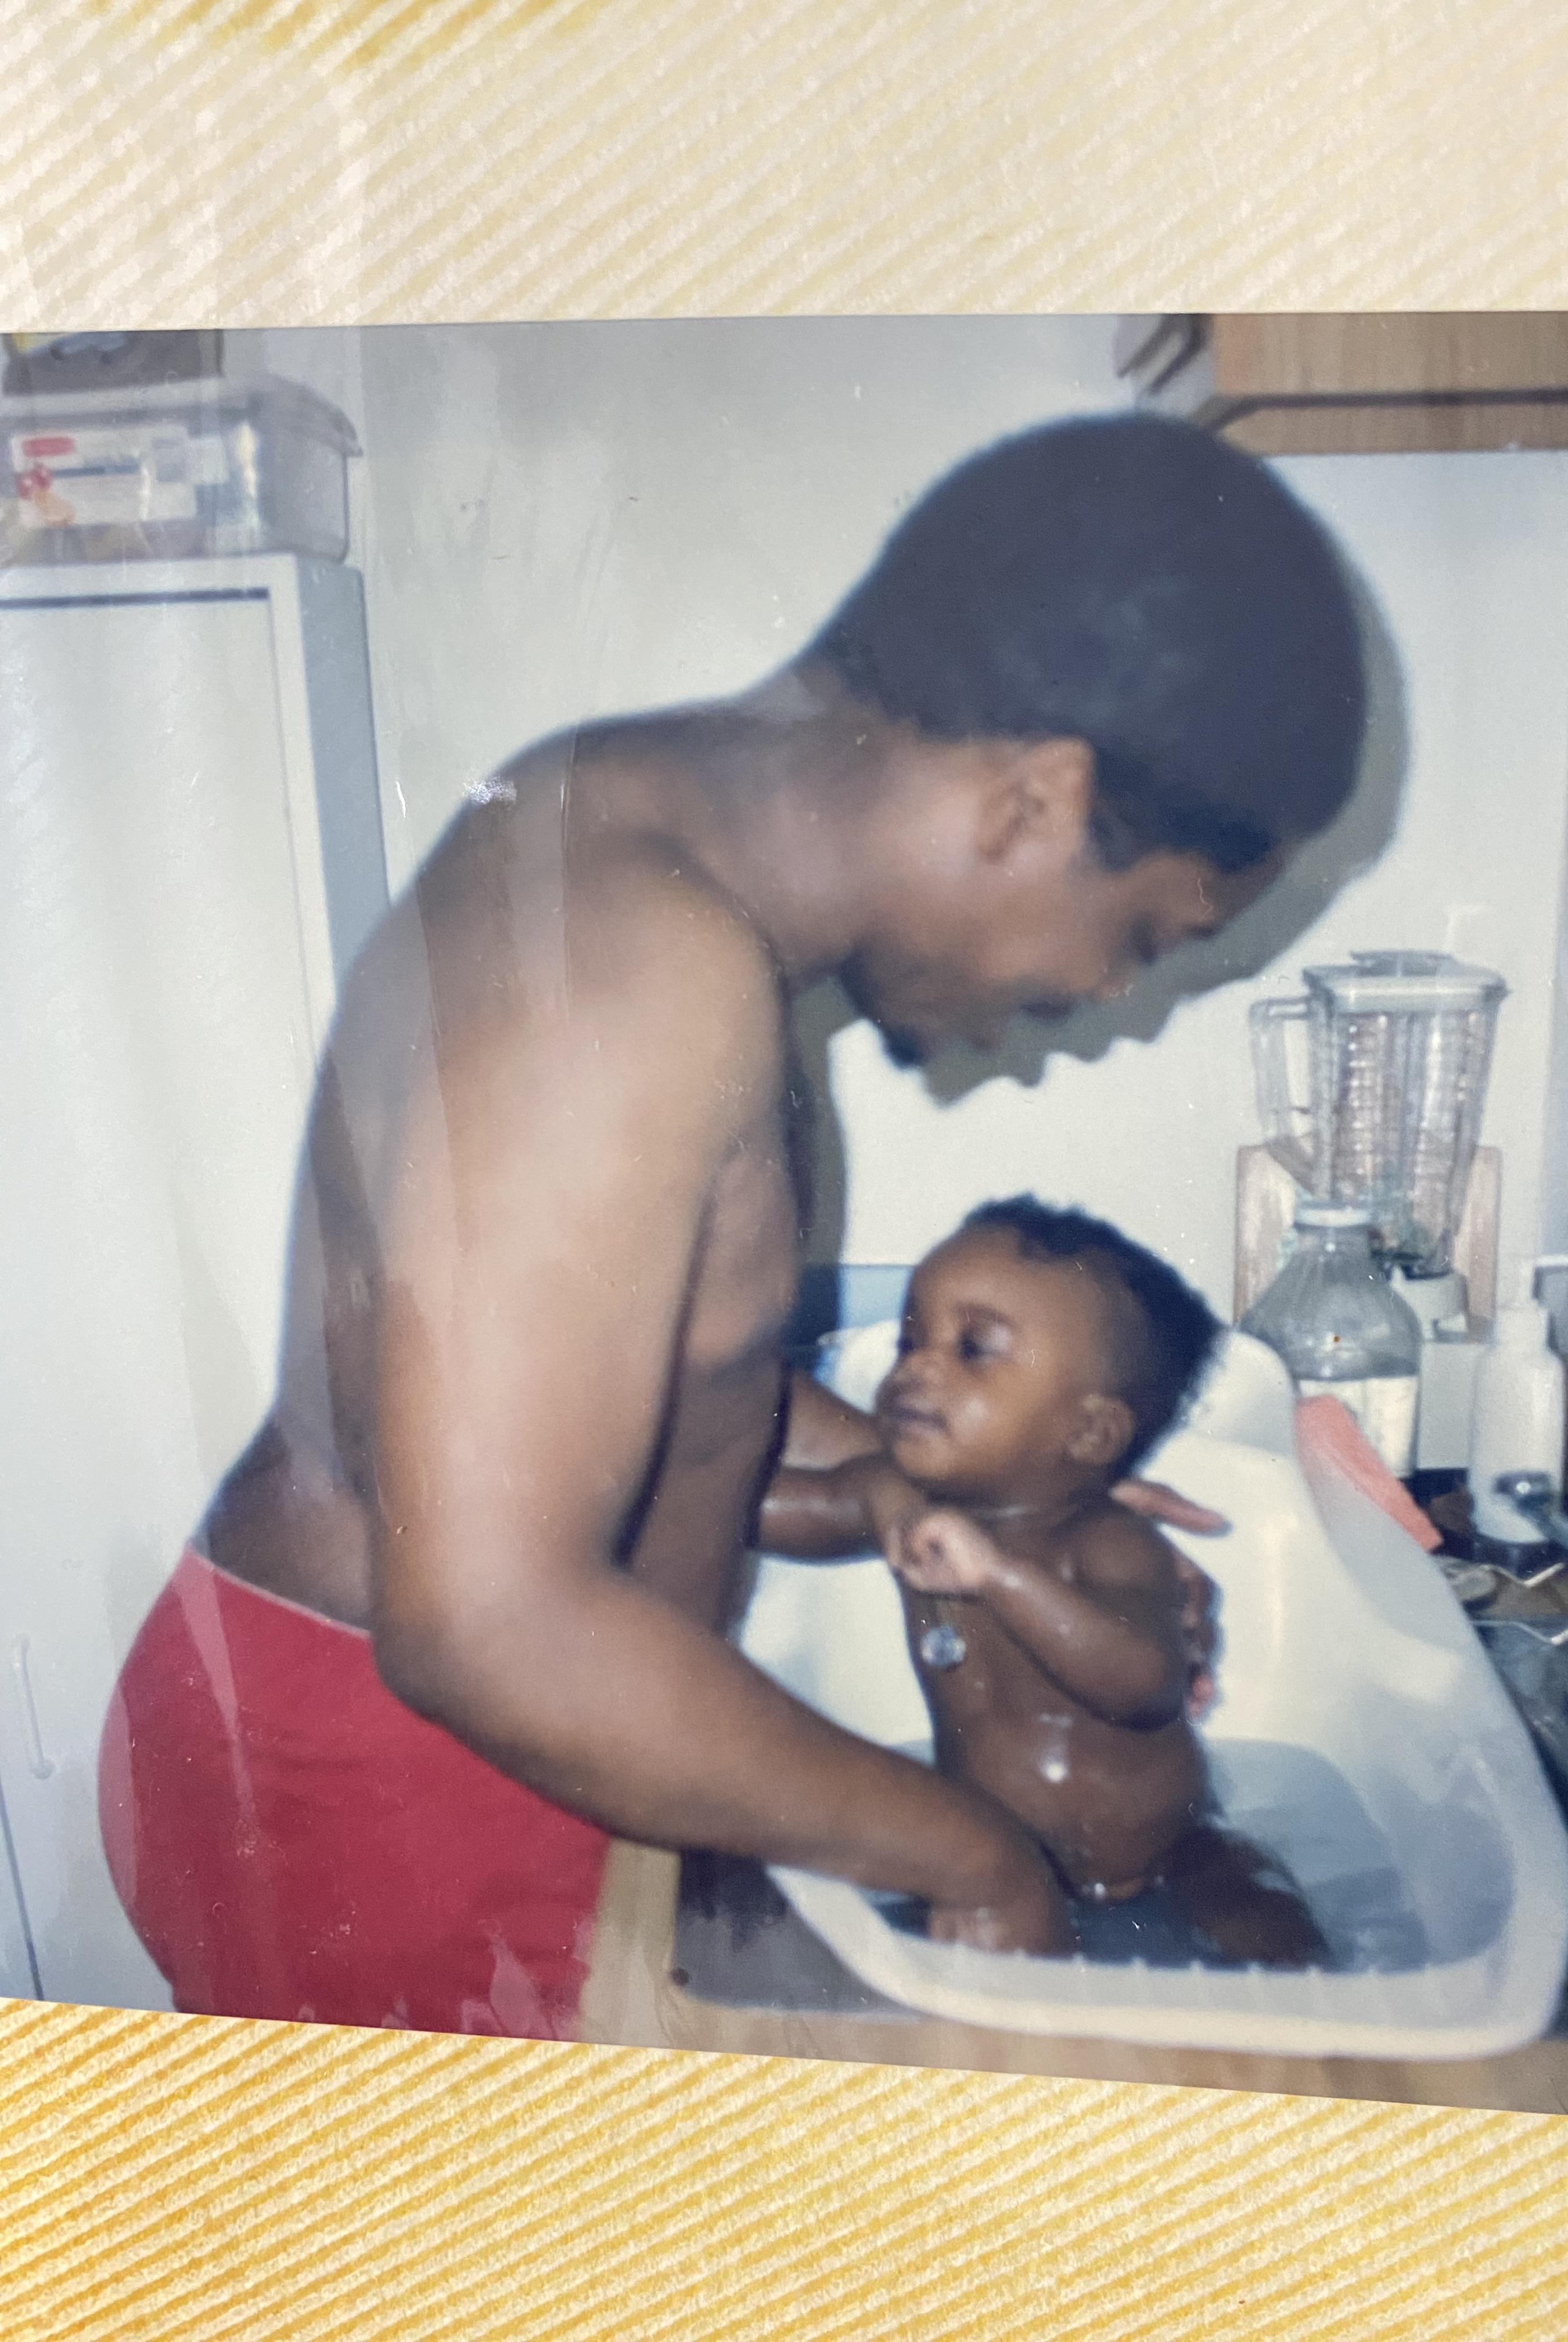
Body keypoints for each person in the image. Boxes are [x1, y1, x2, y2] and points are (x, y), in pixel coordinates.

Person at [98, 410, 1366, 2036]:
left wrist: (959, 1485)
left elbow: (660, 1383)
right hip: (383, 1777)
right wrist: (975, 1853)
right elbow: (487, 1624)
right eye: (1139, 934)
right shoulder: (641, 963)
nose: (1105, 1001)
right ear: (1035, 806)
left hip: (505, 1744)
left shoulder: (684, 884)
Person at [757, 1198, 1328, 1967]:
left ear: (1090, 1432)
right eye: (910, 1338)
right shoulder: (888, 1497)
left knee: (1265, 1918)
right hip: (989, 1846)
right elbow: (751, 1504)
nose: (916, 1367)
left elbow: (1146, 1682)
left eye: (974, 1349)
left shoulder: (1110, 1541)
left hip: (1165, 1847)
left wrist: (998, 1574)